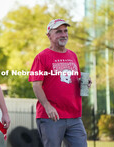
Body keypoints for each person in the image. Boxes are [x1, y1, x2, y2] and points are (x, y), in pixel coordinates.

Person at [28, 19, 92, 147]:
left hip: (74, 116)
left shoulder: (72, 55)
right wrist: (47, 106)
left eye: (65, 31)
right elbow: (36, 84)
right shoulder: (42, 57)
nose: (63, 34)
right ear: (49, 35)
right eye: (58, 32)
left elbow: (73, 79)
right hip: (51, 117)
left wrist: (82, 82)